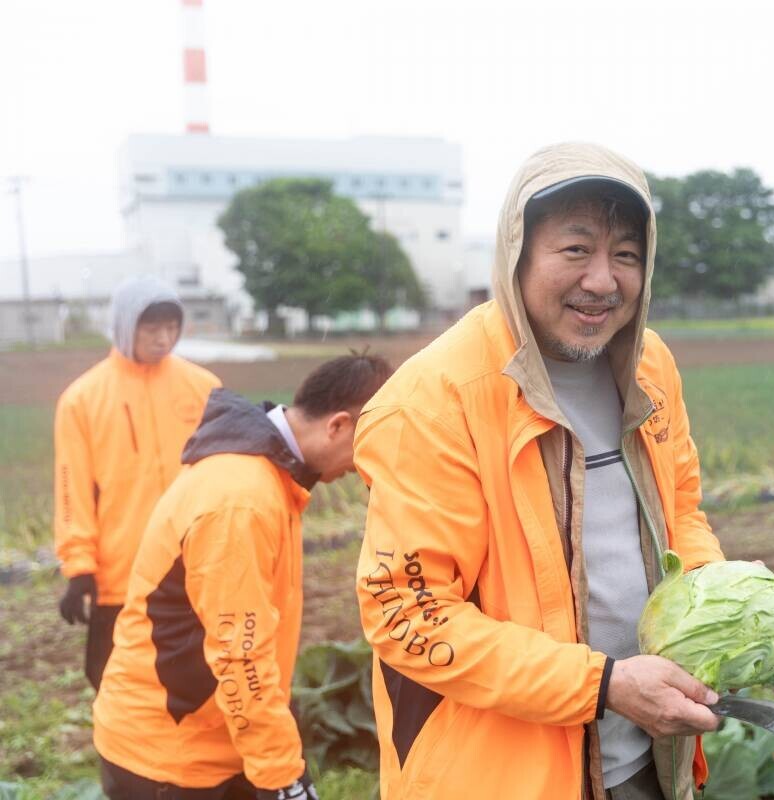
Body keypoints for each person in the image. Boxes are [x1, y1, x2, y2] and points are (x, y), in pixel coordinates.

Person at [354, 143, 726, 800]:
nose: (603, 280)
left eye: (627, 255)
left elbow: (682, 511)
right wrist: (604, 685)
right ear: (517, 252)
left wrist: (713, 618)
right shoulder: (434, 399)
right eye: (576, 250)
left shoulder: (649, 365)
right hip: (502, 779)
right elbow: (409, 615)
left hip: (647, 762)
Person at [91, 354, 393, 800]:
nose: (361, 471)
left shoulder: (267, 478)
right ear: (337, 426)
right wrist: (283, 778)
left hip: (203, 741)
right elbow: (241, 655)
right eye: (365, 452)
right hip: (170, 758)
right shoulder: (242, 500)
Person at [54, 275, 221, 689]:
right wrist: (79, 568)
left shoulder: (204, 388)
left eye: (171, 328)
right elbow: (71, 488)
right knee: (112, 680)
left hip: (192, 565)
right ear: (126, 326)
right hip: (121, 573)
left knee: (195, 681)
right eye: (152, 329)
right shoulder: (83, 398)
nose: (164, 339)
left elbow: (225, 474)